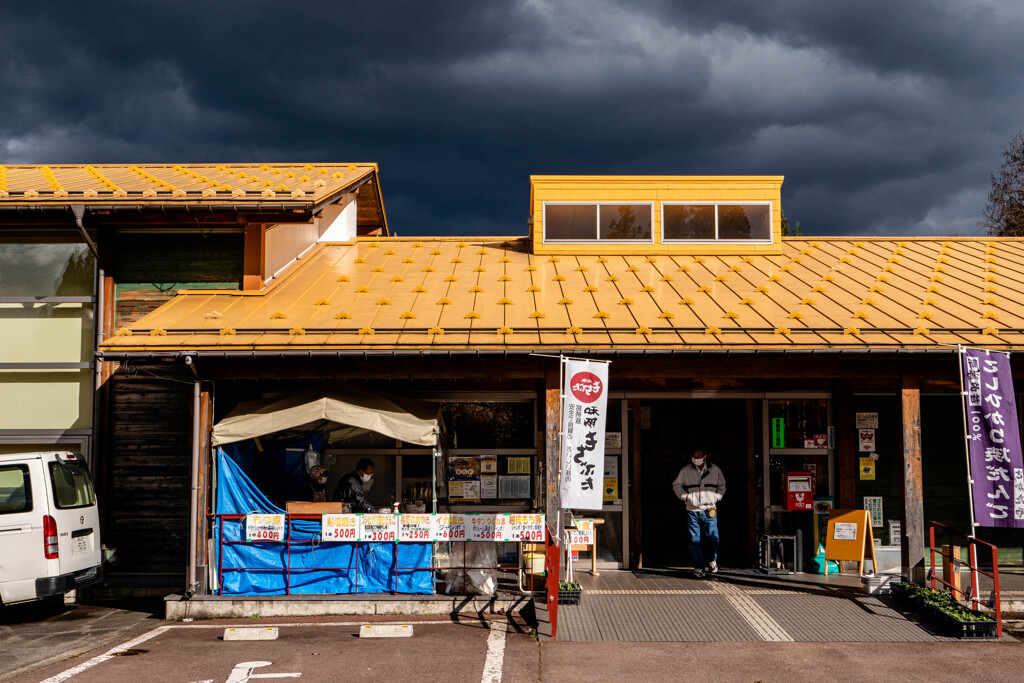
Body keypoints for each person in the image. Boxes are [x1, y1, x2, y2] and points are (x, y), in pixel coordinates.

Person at [672, 449, 726, 578]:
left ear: (705, 457)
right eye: (694, 455)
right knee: (694, 539)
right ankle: (699, 567)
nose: (696, 458)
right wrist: (686, 497)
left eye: (699, 455)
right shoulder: (685, 471)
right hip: (692, 510)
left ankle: (712, 559)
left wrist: (716, 497)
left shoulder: (715, 470)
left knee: (713, 538)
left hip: (709, 508)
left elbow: (722, 486)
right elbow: (676, 485)